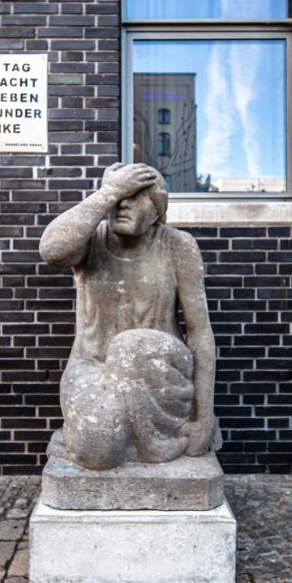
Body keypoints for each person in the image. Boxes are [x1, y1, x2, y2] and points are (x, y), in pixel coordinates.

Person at [39, 161, 221, 471]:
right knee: (97, 453)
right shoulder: (89, 241)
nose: (121, 203)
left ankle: (157, 445)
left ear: (156, 211)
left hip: (159, 369)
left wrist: (203, 417)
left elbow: (200, 333)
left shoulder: (178, 246)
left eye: (134, 195)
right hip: (93, 368)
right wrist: (108, 191)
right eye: (117, 195)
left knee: (130, 346)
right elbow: (52, 250)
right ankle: (84, 434)